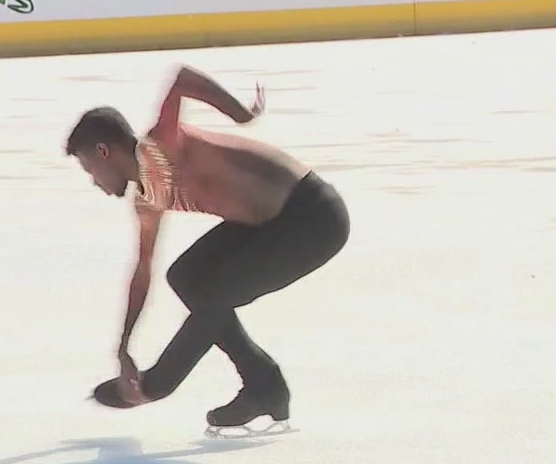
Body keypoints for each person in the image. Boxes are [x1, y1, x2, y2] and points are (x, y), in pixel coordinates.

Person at [64, 64, 351, 430]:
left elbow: (182, 79)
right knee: (186, 276)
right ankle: (263, 384)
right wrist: (124, 346)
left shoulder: (162, 144)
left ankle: (161, 383)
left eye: (89, 169)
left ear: (104, 151)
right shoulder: (147, 200)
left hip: (313, 217)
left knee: (216, 290)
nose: (94, 182)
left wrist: (240, 115)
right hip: (268, 224)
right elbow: (142, 270)